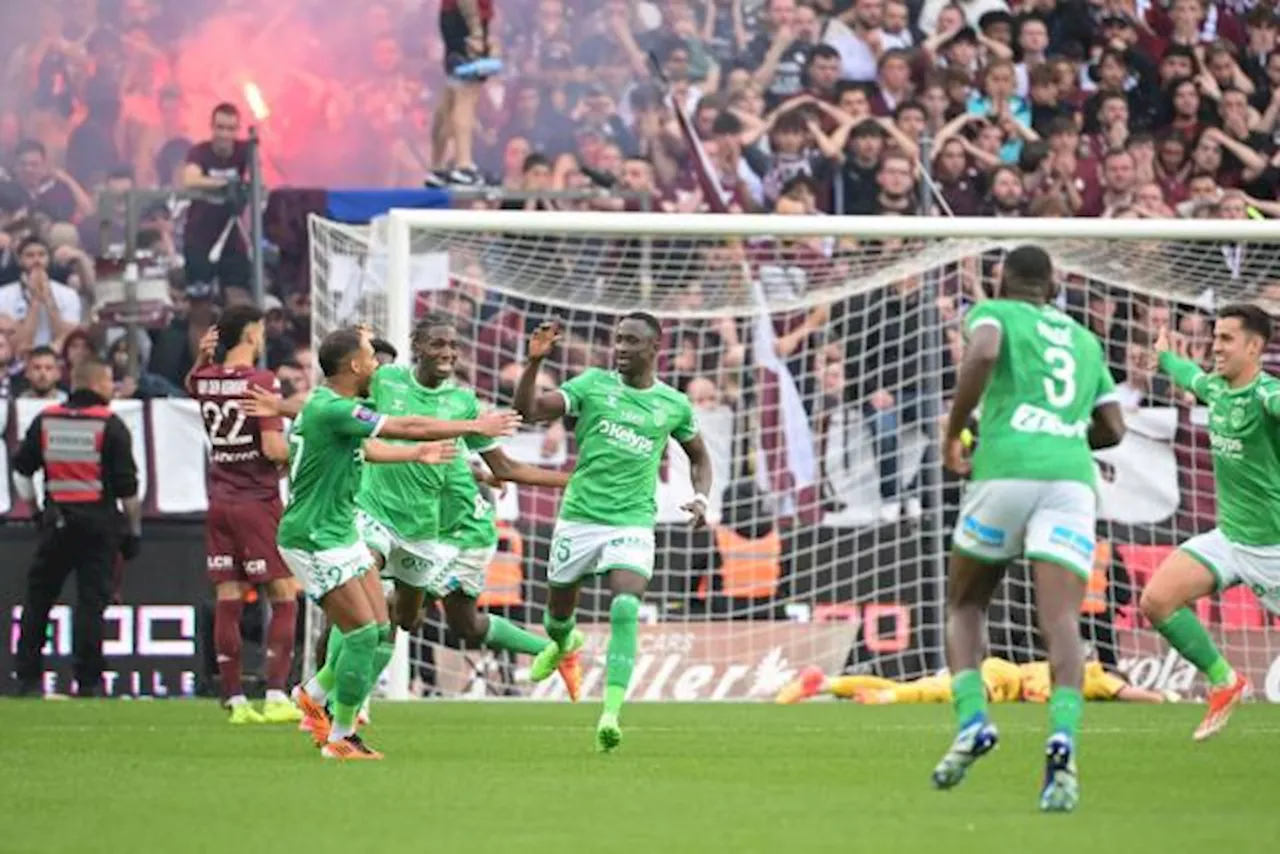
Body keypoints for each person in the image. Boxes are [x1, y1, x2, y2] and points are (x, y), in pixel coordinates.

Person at [255, 313, 582, 732]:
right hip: (370, 514)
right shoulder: (386, 381)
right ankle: (337, 711)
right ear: (417, 347)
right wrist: (280, 406)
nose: (446, 353)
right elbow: (352, 412)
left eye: (452, 346)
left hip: (426, 530)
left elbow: (502, 464)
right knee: (365, 611)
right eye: (436, 344)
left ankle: (321, 696)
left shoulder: (462, 401)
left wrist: (571, 481)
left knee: (407, 620)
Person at [937, 245, 1126, 812]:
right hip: (1071, 480)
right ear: (1055, 284)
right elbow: (1114, 428)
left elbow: (984, 351)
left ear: (1001, 279)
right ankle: (1063, 739)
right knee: (1062, 619)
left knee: (966, 604)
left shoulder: (994, 313)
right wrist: (1064, 439)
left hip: (1006, 469)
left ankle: (973, 720)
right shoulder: (1085, 339)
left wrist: (954, 431)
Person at [513, 315, 713, 751]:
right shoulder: (591, 386)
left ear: (655, 346)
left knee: (625, 606)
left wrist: (700, 497)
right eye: (617, 339)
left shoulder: (673, 404)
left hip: (632, 522)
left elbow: (700, 456)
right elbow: (528, 411)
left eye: (631, 341)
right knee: (556, 617)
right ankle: (566, 642)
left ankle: (610, 714)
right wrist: (532, 365)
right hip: (580, 517)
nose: (620, 347)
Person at [1139, 305, 1280, 741]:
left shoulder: (1267, 395)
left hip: (1272, 548)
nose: (1215, 347)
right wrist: (1164, 355)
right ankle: (1225, 680)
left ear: (1254, 347)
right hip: (1229, 539)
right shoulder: (1217, 389)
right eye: (1214, 337)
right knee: (1157, 600)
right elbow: (1188, 375)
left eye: (1226, 339)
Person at [185, 307, 301, 725]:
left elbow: (193, 383)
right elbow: (273, 450)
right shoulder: (261, 382)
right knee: (285, 593)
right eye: (262, 330)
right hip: (257, 500)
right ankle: (274, 694)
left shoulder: (205, 378)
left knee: (229, 597)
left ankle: (234, 700)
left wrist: (203, 359)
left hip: (219, 500)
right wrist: (305, 451)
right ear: (251, 336)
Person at [10, 358, 142, 697]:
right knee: (90, 604)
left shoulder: (47, 419)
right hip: (99, 525)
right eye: (109, 380)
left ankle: (27, 679)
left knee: (39, 599)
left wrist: (37, 510)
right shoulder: (110, 425)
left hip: (57, 521)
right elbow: (128, 489)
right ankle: (89, 681)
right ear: (97, 383)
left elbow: (22, 471)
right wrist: (133, 530)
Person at [775, 658, 1177, 705]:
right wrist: (1166, 697)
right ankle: (885, 700)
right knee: (937, 694)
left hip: (1001, 675)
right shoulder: (1093, 677)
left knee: (926, 685)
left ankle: (826, 683)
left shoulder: (1079, 670)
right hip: (1004, 679)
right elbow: (1132, 694)